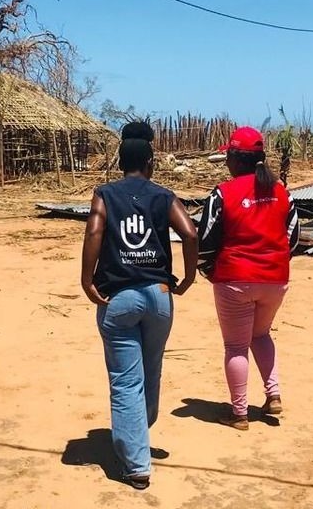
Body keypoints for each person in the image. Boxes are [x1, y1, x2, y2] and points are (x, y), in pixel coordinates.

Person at [80, 122, 199, 489]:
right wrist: (189, 277)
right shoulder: (162, 196)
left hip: (119, 298)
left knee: (126, 380)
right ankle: (137, 434)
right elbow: (191, 233)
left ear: (120, 162)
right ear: (150, 162)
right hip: (159, 297)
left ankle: (136, 464)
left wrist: (87, 279)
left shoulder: (105, 194)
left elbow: (95, 231)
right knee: (150, 371)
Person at [197, 126, 300, 431]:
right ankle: (273, 395)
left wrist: (208, 270)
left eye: (228, 155)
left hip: (235, 278)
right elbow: (293, 237)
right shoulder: (282, 191)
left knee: (236, 346)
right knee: (261, 335)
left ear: (235, 159)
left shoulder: (222, 193)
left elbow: (206, 239)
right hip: (275, 279)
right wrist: (276, 261)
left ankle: (239, 413)